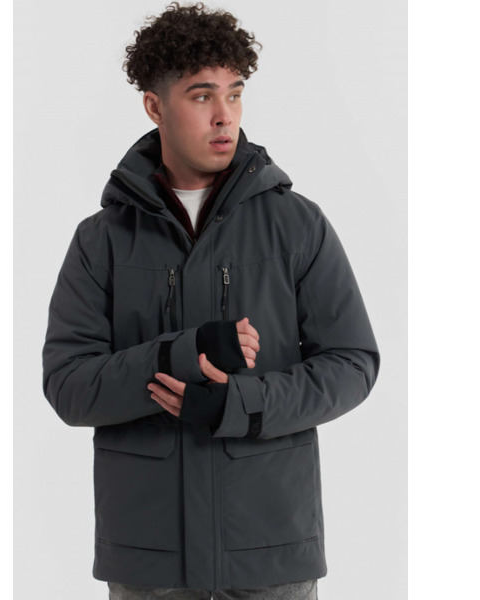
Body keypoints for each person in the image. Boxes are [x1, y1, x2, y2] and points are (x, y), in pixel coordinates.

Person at [42, 2, 380, 599]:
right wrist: (178, 353)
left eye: (235, 93)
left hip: (268, 551)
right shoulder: (102, 240)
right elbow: (69, 386)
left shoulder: (297, 225)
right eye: (202, 96)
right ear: (155, 106)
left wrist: (243, 405)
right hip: (150, 561)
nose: (225, 115)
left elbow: (352, 364)